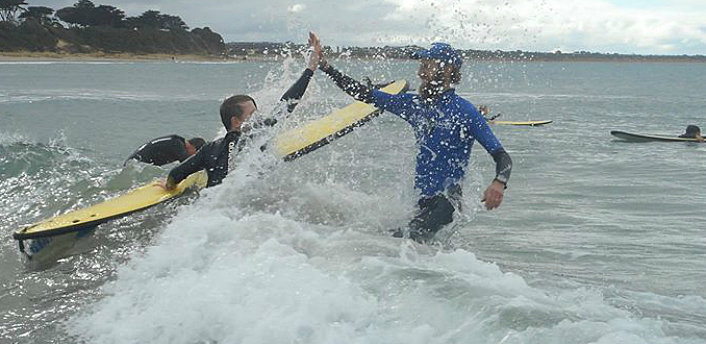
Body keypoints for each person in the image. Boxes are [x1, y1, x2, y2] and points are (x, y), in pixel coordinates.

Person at [312, 35, 512, 242]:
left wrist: (499, 183)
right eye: (421, 65)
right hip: (420, 205)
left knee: (397, 245)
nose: (420, 71)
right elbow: (363, 94)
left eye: (427, 65)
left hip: (446, 205)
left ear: (447, 70)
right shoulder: (413, 105)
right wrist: (326, 67)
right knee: (389, 244)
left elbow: (502, 156)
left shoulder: (466, 112)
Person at [164, 33, 321, 190]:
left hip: (213, 200)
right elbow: (286, 104)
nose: (258, 118)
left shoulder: (209, 149)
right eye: (252, 115)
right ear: (236, 121)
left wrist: (168, 186)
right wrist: (310, 69)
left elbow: (174, 175)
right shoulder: (256, 137)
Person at [124, 135, 206, 166]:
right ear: (193, 148)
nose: (193, 156)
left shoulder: (176, 141)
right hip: (137, 163)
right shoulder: (177, 144)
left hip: (134, 162)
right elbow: (187, 163)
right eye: (195, 154)